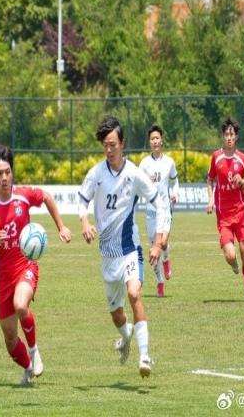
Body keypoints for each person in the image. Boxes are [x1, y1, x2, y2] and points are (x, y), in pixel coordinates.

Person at [78, 116, 167, 378]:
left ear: (122, 144)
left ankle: (145, 356)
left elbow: (160, 204)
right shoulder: (96, 174)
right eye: (105, 145)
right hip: (108, 256)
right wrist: (85, 223)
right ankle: (126, 337)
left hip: (130, 249)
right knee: (117, 315)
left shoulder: (134, 174)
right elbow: (82, 201)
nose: (109, 150)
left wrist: (158, 243)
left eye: (113, 144)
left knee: (134, 294)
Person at [0, 144, 72, 385]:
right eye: (0, 173)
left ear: (12, 172)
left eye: (8, 172)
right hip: (4, 278)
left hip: (26, 267)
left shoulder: (23, 196)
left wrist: (61, 226)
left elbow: (46, 197)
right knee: (10, 340)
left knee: (21, 306)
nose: (4, 177)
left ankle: (34, 350)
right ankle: (28, 368)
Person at [206, 117, 244, 303]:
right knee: (230, 255)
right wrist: (211, 199)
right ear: (223, 136)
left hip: (240, 214)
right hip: (224, 216)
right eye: (226, 134)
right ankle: (233, 264)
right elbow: (210, 180)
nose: (229, 137)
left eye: (232, 134)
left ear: (236, 137)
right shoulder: (216, 157)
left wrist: (242, 181)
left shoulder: (243, 159)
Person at [139, 124, 179, 298]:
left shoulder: (169, 162)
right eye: (152, 139)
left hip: (165, 210)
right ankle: (160, 281)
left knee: (162, 244)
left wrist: (175, 193)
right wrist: (144, 180)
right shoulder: (144, 164)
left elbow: (175, 181)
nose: (155, 141)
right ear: (149, 142)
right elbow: (137, 186)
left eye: (157, 138)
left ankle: (167, 259)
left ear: (161, 140)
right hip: (150, 212)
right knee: (153, 250)